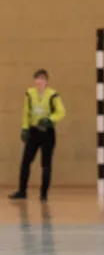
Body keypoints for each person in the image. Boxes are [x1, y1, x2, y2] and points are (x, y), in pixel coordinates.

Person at [9, 69, 66, 201]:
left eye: (42, 79)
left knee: (45, 163)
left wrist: (50, 119)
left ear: (46, 81)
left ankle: (43, 193)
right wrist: (24, 128)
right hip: (34, 132)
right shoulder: (30, 94)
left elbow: (61, 112)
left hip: (47, 133)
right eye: (37, 79)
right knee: (25, 162)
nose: (39, 81)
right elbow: (26, 112)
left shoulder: (53, 95)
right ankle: (22, 191)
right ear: (35, 81)